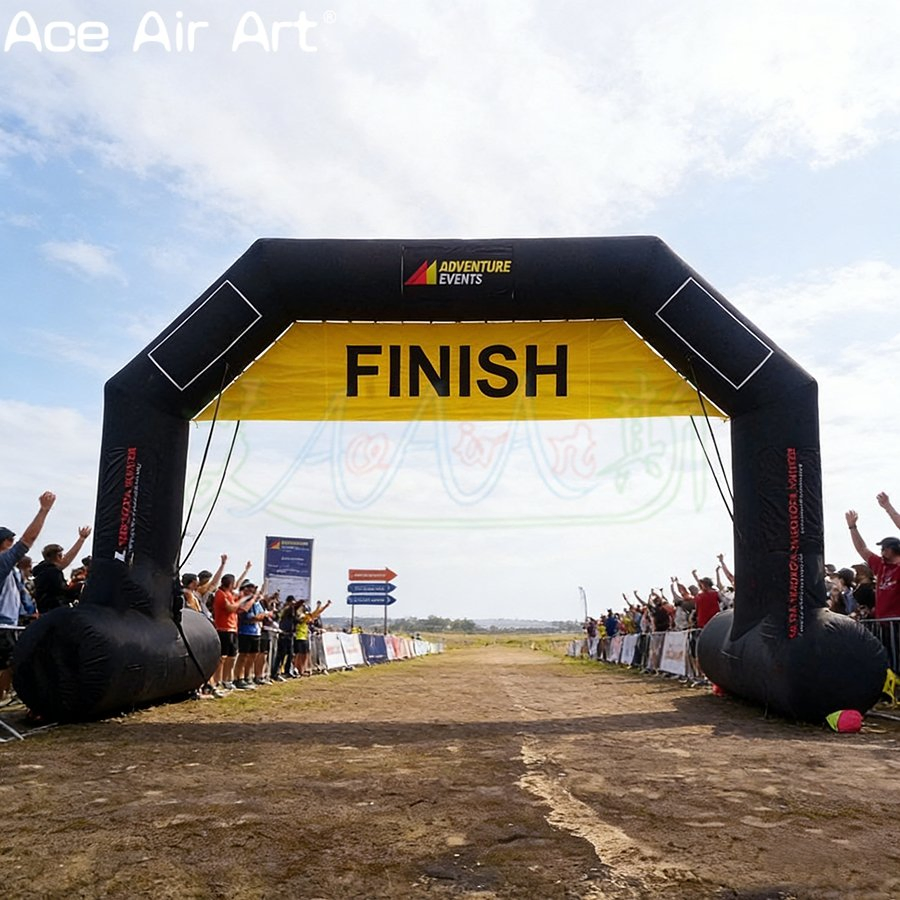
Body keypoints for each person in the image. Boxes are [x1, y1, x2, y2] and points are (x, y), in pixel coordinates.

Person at [0, 492, 56, 703]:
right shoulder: (3, 563)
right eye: (8, 541)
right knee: (9, 664)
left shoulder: (12, 571)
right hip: (3, 626)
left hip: (11, 623)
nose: (12, 544)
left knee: (11, 664)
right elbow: (27, 541)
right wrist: (44, 510)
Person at [845, 509, 900, 619]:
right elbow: (862, 549)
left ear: (894, 549)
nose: (882, 551)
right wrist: (852, 527)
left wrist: (888, 507)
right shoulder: (880, 565)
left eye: (885, 548)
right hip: (883, 626)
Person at [32, 525, 92, 614]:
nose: (62, 557)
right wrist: (78, 588)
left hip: (45, 611)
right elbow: (61, 591)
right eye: (60, 555)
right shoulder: (53, 572)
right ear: (56, 556)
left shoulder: (42, 571)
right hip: (54, 611)